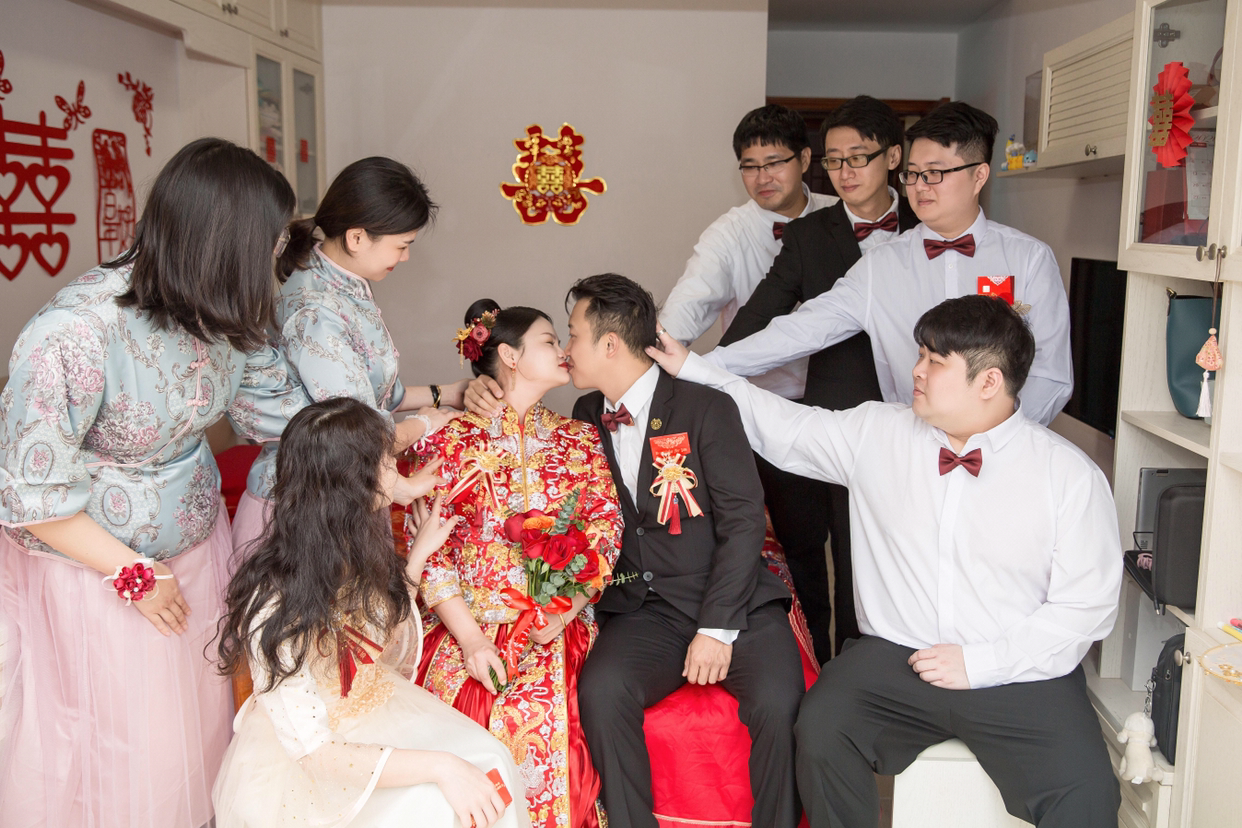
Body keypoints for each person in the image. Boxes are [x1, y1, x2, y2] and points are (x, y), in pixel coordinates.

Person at [647, 295, 1123, 828]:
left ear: (989, 382)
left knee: (1088, 790)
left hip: (1019, 668)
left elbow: (1086, 607)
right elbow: (782, 425)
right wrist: (692, 368)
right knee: (821, 729)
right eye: (920, 354)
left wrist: (983, 663)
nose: (916, 370)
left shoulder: (1068, 476)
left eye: (935, 361)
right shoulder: (877, 431)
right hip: (896, 659)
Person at [0, 138, 312, 828]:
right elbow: (29, 496)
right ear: (224, 245)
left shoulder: (222, 310)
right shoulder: (73, 334)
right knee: (114, 751)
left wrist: (391, 432)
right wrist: (136, 576)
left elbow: (280, 411)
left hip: (196, 546)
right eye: (270, 244)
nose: (276, 261)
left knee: (192, 739)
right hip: (96, 573)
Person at [213, 397, 525, 828]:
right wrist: (441, 765)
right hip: (316, 763)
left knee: (490, 760)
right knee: (438, 805)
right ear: (353, 485)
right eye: (386, 461)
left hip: (376, 711)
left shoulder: (351, 551)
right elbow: (315, 752)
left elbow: (376, 640)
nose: (396, 469)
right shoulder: (274, 603)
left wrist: (418, 556)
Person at [567, 274, 805, 828]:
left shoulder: (706, 407)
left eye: (573, 335)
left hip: (733, 602)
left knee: (778, 701)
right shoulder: (585, 412)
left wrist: (717, 628)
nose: (566, 347)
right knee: (602, 690)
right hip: (646, 611)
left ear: (609, 343)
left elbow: (744, 520)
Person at [705, 101, 1074, 428]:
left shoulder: (1028, 258)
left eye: (934, 173)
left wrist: (997, 435)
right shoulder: (881, 264)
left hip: (1003, 452)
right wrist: (702, 366)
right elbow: (801, 331)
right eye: (913, 174)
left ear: (978, 175)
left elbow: (1050, 373)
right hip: (908, 445)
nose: (920, 187)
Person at [718, 95, 919, 659]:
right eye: (834, 161)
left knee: (881, 559)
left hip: (911, 421)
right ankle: (819, 667)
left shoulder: (927, 226)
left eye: (858, 157)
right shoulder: (808, 235)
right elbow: (762, 315)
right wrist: (700, 371)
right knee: (811, 555)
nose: (844, 172)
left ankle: (871, 670)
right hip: (827, 416)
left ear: (893, 157)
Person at [415, 300, 624, 828]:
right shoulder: (450, 440)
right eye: (550, 341)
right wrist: (472, 640)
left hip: (555, 626)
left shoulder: (580, 439)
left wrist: (566, 607)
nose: (563, 350)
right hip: (466, 627)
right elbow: (431, 553)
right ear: (510, 356)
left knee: (553, 729)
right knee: (466, 720)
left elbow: (606, 530)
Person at [232, 156, 469, 558]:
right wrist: (423, 425)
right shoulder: (316, 312)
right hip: (304, 508)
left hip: (342, 492)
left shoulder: (340, 283)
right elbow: (355, 434)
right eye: (402, 246)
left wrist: (447, 392)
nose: (405, 257)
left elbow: (374, 395)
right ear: (357, 238)